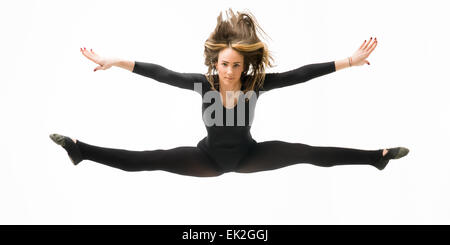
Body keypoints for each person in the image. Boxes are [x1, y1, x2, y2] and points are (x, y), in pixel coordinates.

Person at [50, 8, 409, 177]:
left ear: (245, 66)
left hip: (249, 156)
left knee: (306, 152)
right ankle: (81, 151)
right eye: (225, 65)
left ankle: (376, 158)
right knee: (149, 159)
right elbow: (160, 73)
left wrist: (349, 60)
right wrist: (115, 61)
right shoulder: (201, 84)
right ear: (215, 63)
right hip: (206, 159)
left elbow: (302, 75)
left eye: (237, 66)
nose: (230, 71)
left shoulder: (257, 84)